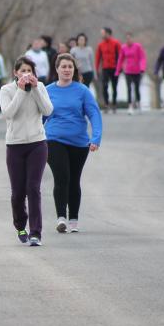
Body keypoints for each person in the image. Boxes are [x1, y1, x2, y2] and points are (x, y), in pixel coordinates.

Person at [44, 53, 102, 233]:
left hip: (79, 142)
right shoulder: (47, 90)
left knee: (74, 180)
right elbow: (40, 116)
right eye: (63, 66)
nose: (67, 70)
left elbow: (94, 114)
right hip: (53, 139)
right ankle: (61, 217)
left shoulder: (82, 90)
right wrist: (33, 139)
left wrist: (96, 138)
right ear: (57, 69)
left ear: (74, 69)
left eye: (70, 67)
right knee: (62, 177)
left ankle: (74, 219)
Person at [0, 56, 53, 246]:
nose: (26, 74)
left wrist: (36, 89)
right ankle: (20, 225)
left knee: (33, 188)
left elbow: (47, 111)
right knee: (17, 192)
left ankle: (36, 233)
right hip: (15, 145)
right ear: (15, 73)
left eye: (29, 71)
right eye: (22, 71)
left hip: (37, 143)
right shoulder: (6, 90)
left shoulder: (41, 87)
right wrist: (21, 91)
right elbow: (8, 113)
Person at [115, 32, 147, 115]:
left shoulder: (138, 47)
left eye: (130, 38)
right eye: (127, 38)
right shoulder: (123, 47)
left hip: (137, 71)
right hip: (128, 71)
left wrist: (142, 68)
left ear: (132, 39)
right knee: (129, 88)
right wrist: (117, 71)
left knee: (136, 88)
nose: (128, 40)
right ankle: (130, 106)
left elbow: (142, 58)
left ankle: (139, 103)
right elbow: (120, 60)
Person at [95, 27, 121, 113]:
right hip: (105, 68)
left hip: (115, 68)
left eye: (103, 33)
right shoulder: (100, 45)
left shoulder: (116, 43)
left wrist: (120, 67)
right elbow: (98, 57)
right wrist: (97, 69)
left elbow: (121, 56)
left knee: (114, 86)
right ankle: (106, 105)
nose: (101, 35)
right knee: (104, 86)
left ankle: (114, 104)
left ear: (108, 33)